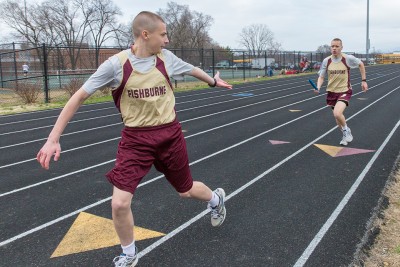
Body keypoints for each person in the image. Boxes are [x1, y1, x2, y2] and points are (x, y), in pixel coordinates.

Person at [36, 11, 232, 267]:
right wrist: (53, 138)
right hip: (136, 140)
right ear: (145, 34)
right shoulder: (115, 65)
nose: (167, 40)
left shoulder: (166, 59)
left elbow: (192, 69)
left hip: (170, 136)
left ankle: (216, 200)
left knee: (185, 191)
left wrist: (212, 82)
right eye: (163, 34)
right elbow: (78, 97)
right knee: (119, 203)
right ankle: (129, 254)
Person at [314, 38, 368, 146]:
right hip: (331, 92)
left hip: (345, 90)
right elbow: (321, 77)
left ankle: (346, 131)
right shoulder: (326, 61)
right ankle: (345, 134)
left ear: (341, 47)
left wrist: (363, 81)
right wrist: (318, 87)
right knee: (337, 117)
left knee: (337, 113)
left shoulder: (347, 58)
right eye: (332, 46)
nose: (334, 48)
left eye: (336, 46)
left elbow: (361, 64)